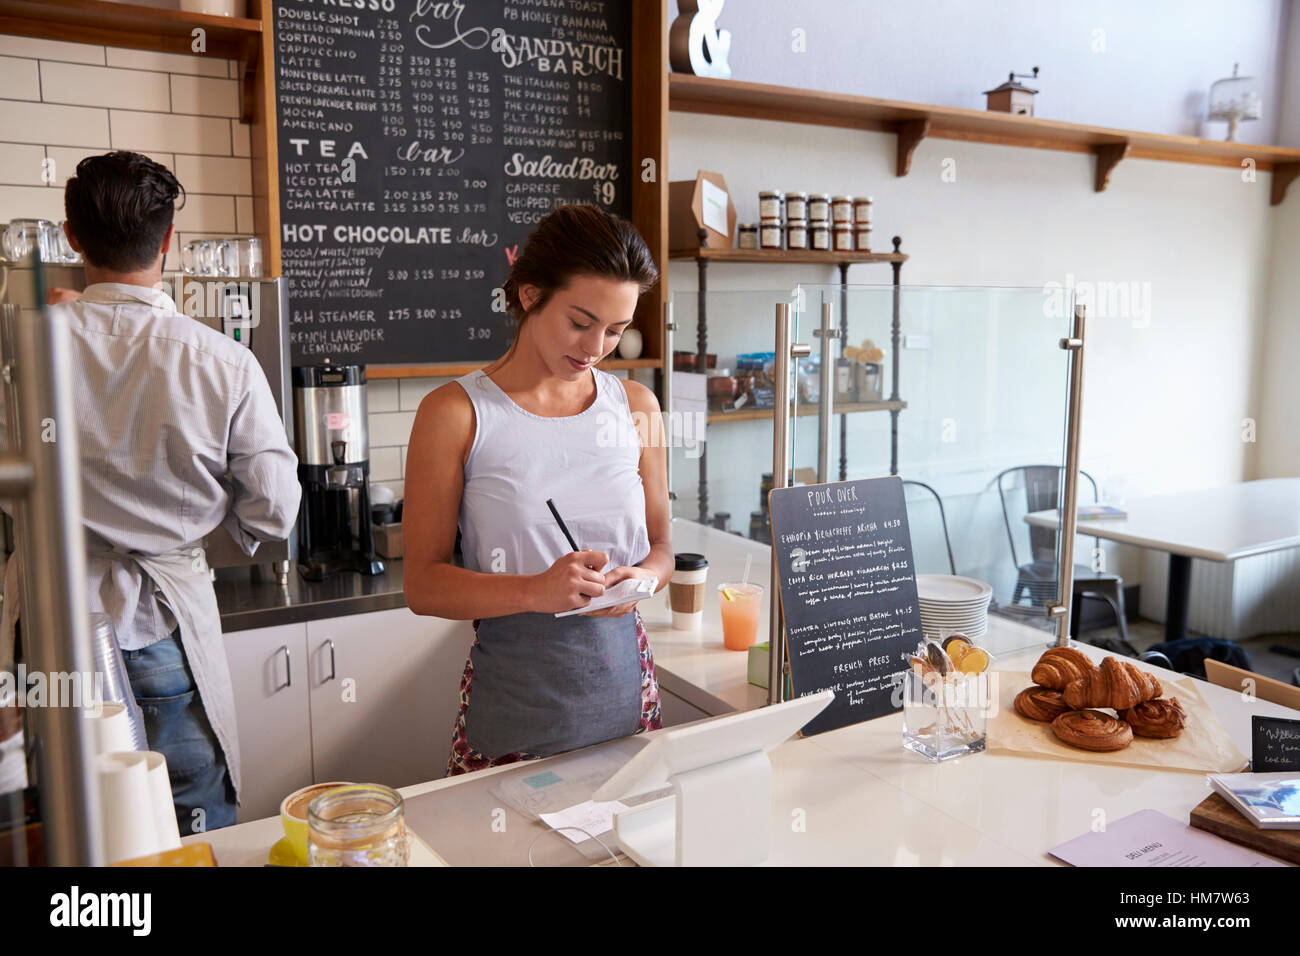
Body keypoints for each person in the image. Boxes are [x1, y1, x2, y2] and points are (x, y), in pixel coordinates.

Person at [3, 152, 301, 833]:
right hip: (164, 628)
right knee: (185, 826)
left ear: (72, 238)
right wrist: (189, 549)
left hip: (47, 633)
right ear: (170, 241)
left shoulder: (24, 352)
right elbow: (276, 508)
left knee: (71, 830)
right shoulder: (222, 360)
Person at [403, 204, 672, 775]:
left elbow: (662, 548)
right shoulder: (454, 413)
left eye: (617, 330)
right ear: (530, 296)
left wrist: (640, 580)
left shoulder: (639, 407)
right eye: (581, 321)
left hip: (628, 690)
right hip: (514, 709)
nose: (597, 345)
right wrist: (534, 591)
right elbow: (423, 586)